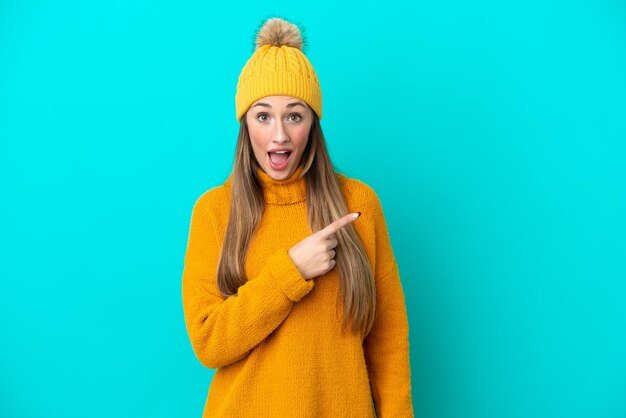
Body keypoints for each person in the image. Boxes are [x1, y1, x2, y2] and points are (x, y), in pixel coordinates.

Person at [181, 16, 414, 417]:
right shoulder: (214, 212)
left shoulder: (359, 204)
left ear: (313, 123)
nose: (279, 136)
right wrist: (291, 272)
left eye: (294, 115)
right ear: (245, 124)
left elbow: (387, 340)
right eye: (263, 115)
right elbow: (209, 341)